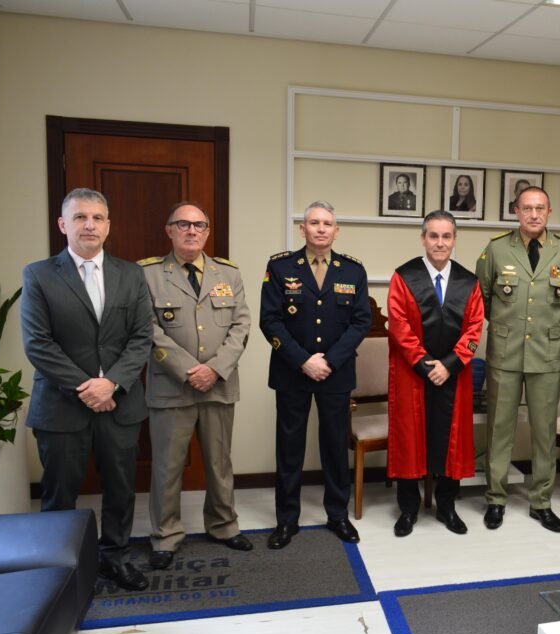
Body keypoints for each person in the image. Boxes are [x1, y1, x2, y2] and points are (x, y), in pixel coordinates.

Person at [21, 188, 153, 591]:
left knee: (121, 490)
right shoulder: (39, 275)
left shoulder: (131, 274)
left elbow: (141, 337)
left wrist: (111, 383)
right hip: (62, 406)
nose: (89, 225)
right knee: (60, 494)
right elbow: (38, 343)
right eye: (80, 217)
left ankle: (115, 557)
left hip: (120, 403)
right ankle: (60, 570)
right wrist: (87, 387)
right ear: (63, 224)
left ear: (108, 226)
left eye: (97, 218)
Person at [140, 201, 253, 570]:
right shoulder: (148, 275)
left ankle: (223, 525)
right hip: (172, 387)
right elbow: (147, 330)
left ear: (207, 231)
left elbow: (241, 326)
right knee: (167, 466)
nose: (192, 231)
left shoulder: (228, 273)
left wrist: (215, 369)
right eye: (183, 224)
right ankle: (166, 536)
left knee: (219, 463)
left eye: (199, 225)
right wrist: (189, 370)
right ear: (169, 230)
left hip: (218, 385)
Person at [260, 201, 370, 548]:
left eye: (327, 224)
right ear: (302, 229)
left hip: (335, 374)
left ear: (336, 231)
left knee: (335, 446)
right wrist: (303, 361)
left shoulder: (353, 270)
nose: (321, 229)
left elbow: (361, 322)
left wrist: (330, 361)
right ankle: (286, 520)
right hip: (292, 371)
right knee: (289, 447)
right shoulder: (280, 267)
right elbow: (269, 320)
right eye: (314, 222)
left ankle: (337, 515)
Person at [475, 186, 560, 532]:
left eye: (540, 208)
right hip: (505, 352)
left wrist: (545, 327)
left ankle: (541, 502)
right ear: (516, 212)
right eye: (527, 208)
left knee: (544, 431)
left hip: (546, 353)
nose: (534, 214)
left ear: (549, 212)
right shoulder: (496, 248)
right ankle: (496, 498)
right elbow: (483, 297)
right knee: (499, 428)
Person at [386, 210, 484, 537]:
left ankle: (447, 506)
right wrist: (427, 365)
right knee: (409, 438)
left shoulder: (469, 282)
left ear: (454, 239)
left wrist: (449, 365)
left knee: (451, 439)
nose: (440, 243)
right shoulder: (404, 277)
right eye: (433, 236)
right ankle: (408, 509)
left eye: (446, 236)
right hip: (413, 374)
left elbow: (474, 329)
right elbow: (398, 327)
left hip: (453, 375)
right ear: (423, 238)